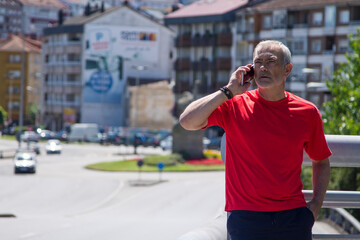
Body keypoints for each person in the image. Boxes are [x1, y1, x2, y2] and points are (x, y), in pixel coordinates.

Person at [179, 40, 331, 240]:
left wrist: (315, 205)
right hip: (246, 218)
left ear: (287, 69)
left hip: (293, 217)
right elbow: (187, 121)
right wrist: (228, 90)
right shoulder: (234, 104)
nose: (263, 67)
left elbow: (321, 161)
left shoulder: (307, 112)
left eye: (271, 61)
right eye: (258, 62)